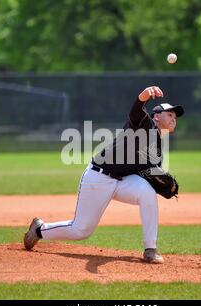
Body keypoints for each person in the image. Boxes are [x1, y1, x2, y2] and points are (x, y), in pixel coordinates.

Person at [24, 86, 184, 263]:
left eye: (175, 117)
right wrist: (145, 94)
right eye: (169, 114)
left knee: (147, 192)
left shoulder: (158, 151)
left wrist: (164, 182)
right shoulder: (144, 125)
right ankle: (39, 229)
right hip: (99, 177)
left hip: (123, 182)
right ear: (156, 116)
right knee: (81, 230)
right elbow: (136, 109)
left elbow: (148, 174)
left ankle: (150, 249)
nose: (173, 118)